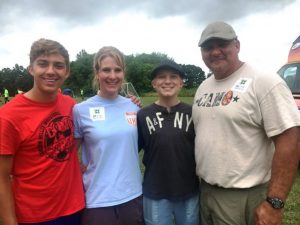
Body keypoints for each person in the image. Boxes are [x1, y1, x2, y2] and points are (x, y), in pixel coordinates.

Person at [192, 21, 300, 225]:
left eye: (222, 44)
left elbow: (290, 142)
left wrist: (274, 203)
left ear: (237, 45)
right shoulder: (203, 88)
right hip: (206, 190)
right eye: (208, 47)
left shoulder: (264, 81)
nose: (215, 52)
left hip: (245, 195)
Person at [0, 38, 85, 225]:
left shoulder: (71, 105)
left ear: (67, 72)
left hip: (75, 208)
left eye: (58, 65)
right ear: (31, 68)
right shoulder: (8, 116)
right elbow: (2, 178)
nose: (51, 71)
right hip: (34, 216)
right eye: (43, 64)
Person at [72, 46, 144, 225]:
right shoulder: (81, 110)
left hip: (132, 195)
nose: (112, 76)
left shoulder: (134, 107)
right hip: (98, 200)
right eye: (106, 70)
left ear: (123, 73)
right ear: (97, 73)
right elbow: (70, 155)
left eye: (117, 70)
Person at [137, 60, 200, 225]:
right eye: (161, 77)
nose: (167, 81)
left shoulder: (194, 113)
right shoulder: (142, 115)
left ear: (181, 83)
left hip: (188, 189)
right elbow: (131, 149)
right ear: (154, 83)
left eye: (173, 77)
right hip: (155, 189)